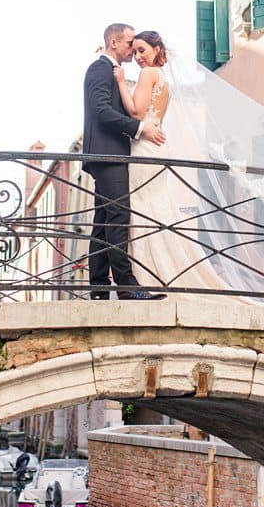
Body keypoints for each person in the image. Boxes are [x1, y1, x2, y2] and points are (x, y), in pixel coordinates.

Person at [111, 29, 230, 291]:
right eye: (136, 51)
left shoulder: (147, 73)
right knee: (154, 206)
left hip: (144, 147)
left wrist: (121, 82)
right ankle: (163, 273)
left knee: (142, 208)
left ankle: (147, 277)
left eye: (143, 50)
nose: (138, 56)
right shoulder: (163, 78)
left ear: (156, 50)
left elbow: (137, 110)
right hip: (156, 147)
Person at [80, 22, 165, 301]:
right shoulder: (99, 68)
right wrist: (139, 129)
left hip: (111, 154)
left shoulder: (112, 72)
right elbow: (102, 111)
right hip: (108, 154)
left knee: (105, 219)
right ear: (114, 43)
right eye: (130, 43)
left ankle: (99, 286)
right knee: (117, 216)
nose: (133, 49)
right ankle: (126, 287)